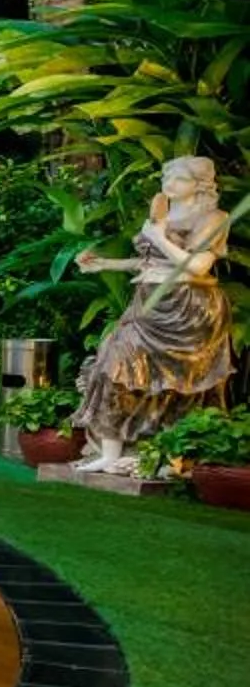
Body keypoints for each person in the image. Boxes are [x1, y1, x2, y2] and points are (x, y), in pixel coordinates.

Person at [72, 156, 234, 473]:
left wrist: (159, 235)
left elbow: (199, 266)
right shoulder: (163, 212)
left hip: (188, 309)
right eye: (166, 177)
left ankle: (171, 457)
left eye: (179, 179)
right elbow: (151, 261)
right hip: (147, 304)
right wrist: (106, 264)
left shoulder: (214, 217)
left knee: (178, 384)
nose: (168, 184)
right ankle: (110, 452)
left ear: (200, 185)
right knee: (112, 363)